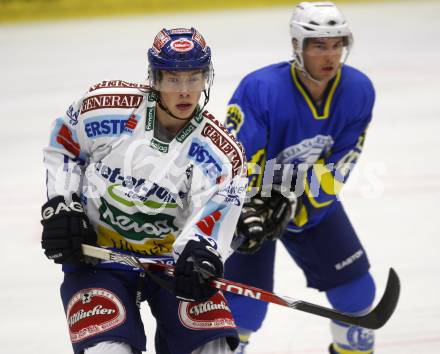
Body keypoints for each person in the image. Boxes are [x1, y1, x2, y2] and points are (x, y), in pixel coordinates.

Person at [41, 27, 248, 354]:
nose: (184, 91)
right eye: (173, 79)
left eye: (194, 78)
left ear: (206, 78)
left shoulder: (222, 155)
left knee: (216, 349)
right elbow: (65, 147)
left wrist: (200, 255)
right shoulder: (106, 108)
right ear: (154, 78)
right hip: (97, 259)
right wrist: (62, 205)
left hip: (169, 268)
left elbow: (215, 220)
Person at [224, 2, 377, 354]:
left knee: (356, 293)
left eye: (337, 44)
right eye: (319, 45)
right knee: (242, 311)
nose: (330, 55)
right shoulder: (260, 88)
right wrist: (250, 209)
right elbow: (234, 158)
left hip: (308, 199)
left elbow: (341, 161)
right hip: (252, 205)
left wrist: (300, 209)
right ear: (298, 46)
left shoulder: (358, 90)